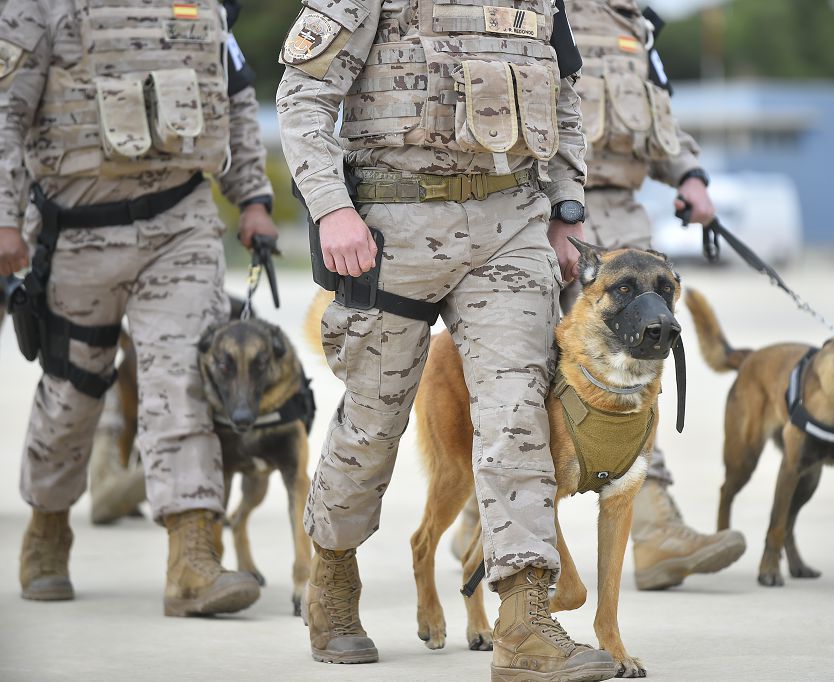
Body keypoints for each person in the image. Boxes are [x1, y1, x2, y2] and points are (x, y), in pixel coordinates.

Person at [277, 0, 617, 679]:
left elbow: (567, 98)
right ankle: (334, 577)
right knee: (375, 419)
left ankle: (523, 618)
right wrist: (331, 207)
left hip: (510, 221)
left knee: (517, 411)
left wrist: (568, 207)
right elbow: (304, 95)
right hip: (391, 224)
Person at [449, 0, 747, 592]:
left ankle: (656, 529)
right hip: (543, 213)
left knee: (639, 378)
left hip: (623, 220)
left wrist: (690, 176)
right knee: (527, 373)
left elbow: (660, 118)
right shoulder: (531, 9)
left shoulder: (633, 23)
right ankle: (482, 515)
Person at [0, 0, 279, 616]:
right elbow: (6, 111)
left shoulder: (206, 6)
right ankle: (48, 524)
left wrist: (253, 199)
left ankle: (192, 556)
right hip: (73, 230)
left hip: (179, 223)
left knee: (182, 382)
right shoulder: (40, 6)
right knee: (74, 388)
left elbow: (233, 99)